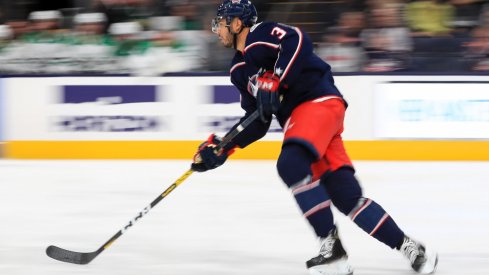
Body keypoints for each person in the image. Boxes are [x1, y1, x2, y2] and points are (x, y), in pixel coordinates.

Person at [191, 1, 439, 274]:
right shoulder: (238, 69)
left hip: (315, 102)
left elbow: (297, 39)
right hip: (312, 122)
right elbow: (257, 120)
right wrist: (224, 147)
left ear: (237, 23)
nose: (217, 29)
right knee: (347, 197)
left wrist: (276, 76)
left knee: (290, 164)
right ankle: (409, 247)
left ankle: (331, 248)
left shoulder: (261, 34)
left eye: (222, 22)